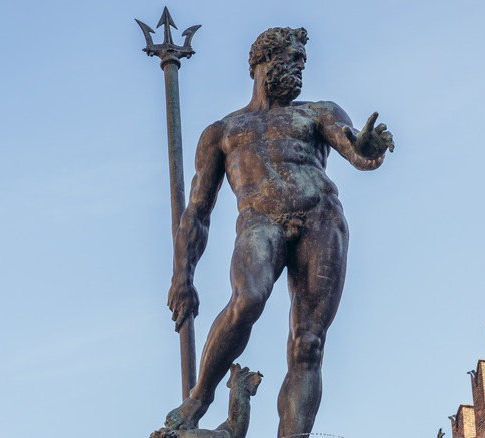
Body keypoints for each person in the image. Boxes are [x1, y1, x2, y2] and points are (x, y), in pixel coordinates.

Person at [165, 27, 394, 438]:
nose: (302, 65)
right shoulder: (222, 132)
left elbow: (355, 149)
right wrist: (182, 278)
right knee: (247, 299)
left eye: (304, 59)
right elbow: (196, 213)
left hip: (320, 219)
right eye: (295, 56)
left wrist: (369, 148)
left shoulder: (318, 112)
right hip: (259, 220)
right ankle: (200, 397)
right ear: (264, 60)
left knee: (308, 342)